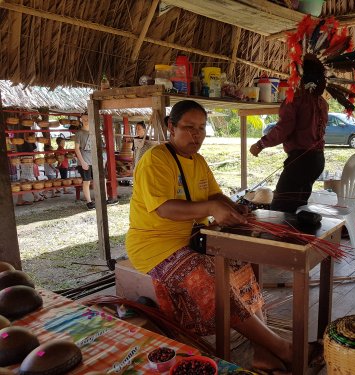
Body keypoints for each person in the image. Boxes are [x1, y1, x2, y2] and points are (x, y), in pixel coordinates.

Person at [126, 100, 293, 374]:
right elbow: (165, 208)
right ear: (171, 127)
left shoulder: (198, 161)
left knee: (240, 265)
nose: (196, 135)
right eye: (189, 128)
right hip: (154, 245)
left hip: (195, 238)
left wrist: (231, 205)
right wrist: (211, 209)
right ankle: (282, 347)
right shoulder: (156, 160)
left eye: (202, 128)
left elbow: (214, 195)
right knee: (208, 277)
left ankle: (263, 351)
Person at [250, 56, 328, 213]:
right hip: (317, 161)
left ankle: (288, 237)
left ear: (299, 77)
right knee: (296, 206)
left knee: (281, 209)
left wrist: (260, 144)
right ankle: (298, 236)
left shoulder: (295, 100)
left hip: (301, 163)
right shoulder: (322, 102)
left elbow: (283, 129)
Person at [74, 113, 118, 210]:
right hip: (85, 161)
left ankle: (105, 198)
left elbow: (100, 147)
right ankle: (89, 202)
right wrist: (82, 162)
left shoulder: (95, 132)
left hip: (96, 160)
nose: (86, 121)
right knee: (86, 182)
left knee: (102, 179)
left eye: (87, 119)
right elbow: (77, 149)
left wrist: (102, 159)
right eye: (83, 119)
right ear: (81, 120)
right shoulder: (79, 133)